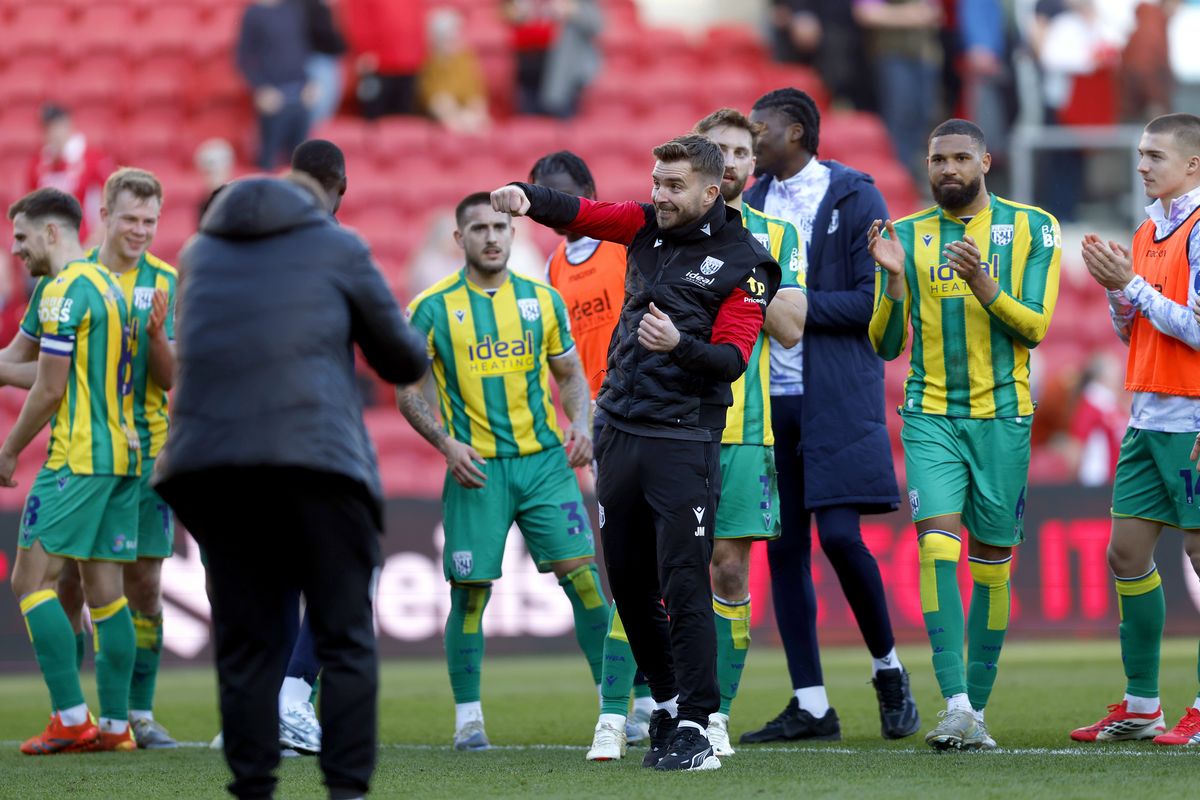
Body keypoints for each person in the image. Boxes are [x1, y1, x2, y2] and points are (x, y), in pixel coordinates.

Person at [491, 133, 782, 771]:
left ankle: (702, 726)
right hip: (619, 428)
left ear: (712, 191)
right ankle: (672, 703)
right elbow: (583, 213)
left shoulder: (748, 263)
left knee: (683, 581)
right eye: (656, 182)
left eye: (674, 186)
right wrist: (525, 198)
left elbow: (732, 360)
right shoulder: (645, 226)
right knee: (626, 580)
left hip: (683, 437)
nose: (660, 195)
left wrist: (678, 343)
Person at [154, 173, 429, 800]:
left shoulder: (197, 253)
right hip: (317, 460)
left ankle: (252, 787)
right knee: (345, 634)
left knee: (247, 644)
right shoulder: (339, 247)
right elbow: (401, 359)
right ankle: (346, 790)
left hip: (211, 470)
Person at [868, 117, 1062, 750]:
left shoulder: (1033, 226)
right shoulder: (905, 235)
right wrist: (893, 280)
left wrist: (983, 282)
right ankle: (953, 701)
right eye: (937, 160)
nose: (947, 169)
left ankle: (974, 709)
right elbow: (886, 343)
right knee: (935, 550)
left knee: (993, 567)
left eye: (960, 158)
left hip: (1005, 418)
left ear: (986, 162)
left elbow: (1033, 327)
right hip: (931, 417)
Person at [396, 192, 610, 753]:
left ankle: (624, 708)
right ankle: (468, 719)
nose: (492, 237)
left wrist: (581, 424)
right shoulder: (432, 307)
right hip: (477, 470)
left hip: (544, 464)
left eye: (500, 227)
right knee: (469, 594)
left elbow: (569, 375)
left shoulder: (542, 300)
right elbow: (408, 390)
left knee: (586, 580)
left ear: (514, 234)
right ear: (459, 240)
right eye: (479, 229)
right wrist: (447, 444)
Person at [741, 87, 915, 745]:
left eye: (761, 128)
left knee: (841, 539)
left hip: (836, 396)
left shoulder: (854, 195)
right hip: (767, 401)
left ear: (797, 131)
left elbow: (873, 304)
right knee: (783, 552)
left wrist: (795, 307)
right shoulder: (749, 205)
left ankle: (888, 669)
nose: (753, 138)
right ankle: (811, 704)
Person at [1070, 112, 1200, 747]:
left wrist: (1136, 287)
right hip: (1148, 413)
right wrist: (1118, 294)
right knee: (1125, 554)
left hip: (1194, 416)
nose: (1142, 165)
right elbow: (1139, 329)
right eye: (1140, 154)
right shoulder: (1150, 229)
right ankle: (1143, 705)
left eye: (1153, 155)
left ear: (1193, 165)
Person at [527, 152, 654, 756]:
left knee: (653, 555)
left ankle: (664, 692)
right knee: (624, 559)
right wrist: (575, 421)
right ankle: (649, 690)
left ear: (587, 193)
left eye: (559, 194)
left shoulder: (624, 246)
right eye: (541, 196)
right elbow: (561, 357)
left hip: (641, 411)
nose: (552, 207)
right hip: (597, 427)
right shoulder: (554, 263)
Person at [47, 169, 179, 750]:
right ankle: (69, 713)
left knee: (145, 584)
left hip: (147, 454)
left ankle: (135, 715)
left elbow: (171, 378)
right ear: (103, 214)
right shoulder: (75, 281)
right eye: (130, 219)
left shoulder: (163, 280)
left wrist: (154, 337)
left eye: (150, 222)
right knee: (71, 584)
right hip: (85, 454)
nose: (141, 232)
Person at [6, 187, 139, 754]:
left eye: (20, 237)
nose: (15, 249)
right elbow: (26, 364)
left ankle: (69, 718)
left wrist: (10, 449)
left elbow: (50, 387)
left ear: (51, 232)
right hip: (123, 457)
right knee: (105, 592)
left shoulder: (62, 292)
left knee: (29, 581)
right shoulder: (107, 284)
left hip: (77, 458)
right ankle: (115, 728)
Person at [691, 108, 807, 757]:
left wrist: (738, 276)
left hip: (747, 428)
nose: (732, 160)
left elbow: (791, 328)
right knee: (666, 572)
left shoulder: (778, 236)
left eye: (741, 150)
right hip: (675, 426)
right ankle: (657, 702)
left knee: (730, 572)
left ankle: (716, 715)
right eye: (719, 150)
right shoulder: (666, 232)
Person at [236, 0, 314, 170]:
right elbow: (243, 59)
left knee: (300, 160)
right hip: (274, 98)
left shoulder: (294, 8)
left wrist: (309, 82)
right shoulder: (253, 14)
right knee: (268, 161)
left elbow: (301, 49)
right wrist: (260, 89)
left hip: (300, 93)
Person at [25, 104, 113, 244]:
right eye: (46, 128)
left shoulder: (93, 160)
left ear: (68, 125)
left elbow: (109, 206)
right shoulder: (38, 164)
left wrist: (91, 247)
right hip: (49, 248)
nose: (52, 133)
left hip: (84, 244)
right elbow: (31, 210)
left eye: (55, 126)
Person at [417, 8, 491, 135]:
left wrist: (472, 109)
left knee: (478, 111)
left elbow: (475, 90)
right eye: (448, 34)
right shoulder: (431, 60)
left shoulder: (466, 57)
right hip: (443, 111)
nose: (454, 37)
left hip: (465, 109)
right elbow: (430, 94)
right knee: (443, 102)